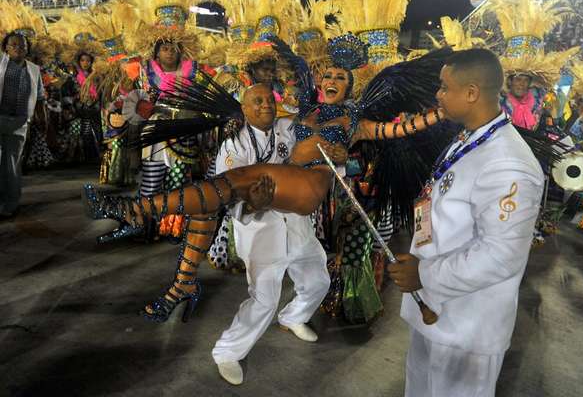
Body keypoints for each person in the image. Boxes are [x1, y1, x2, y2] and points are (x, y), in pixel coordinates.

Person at [83, 36, 449, 324]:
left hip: (312, 193)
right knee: (212, 200)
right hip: (285, 197)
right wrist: (239, 115)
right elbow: (267, 107)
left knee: (237, 181)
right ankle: (181, 283)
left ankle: (137, 210)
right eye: (330, 76)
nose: (333, 80)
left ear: (351, 85)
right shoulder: (301, 113)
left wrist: (439, 115)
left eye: (342, 77)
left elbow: (398, 130)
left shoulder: (355, 121)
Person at [388, 48, 544, 397]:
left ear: (472, 92)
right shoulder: (468, 138)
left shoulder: (508, 163)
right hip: (434, 310)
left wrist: (424, 274)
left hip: (467, 326)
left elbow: (502, 255)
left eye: (444, 87)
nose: (438, 95)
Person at [212, 83, 345, 385]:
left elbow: (315, 152)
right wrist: (249, 205)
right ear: (244, 109)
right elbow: (226, 189)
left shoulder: (288, 128)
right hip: (261, 231)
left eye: (269, 100)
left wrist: (336, 156)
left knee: (318, 280)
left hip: (297, 224)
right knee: (264, 299)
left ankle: (294, 317)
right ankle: (227, 352)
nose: (266, 106)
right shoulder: (235, 144)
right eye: (256, 102)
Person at [0, 32, 46, 218]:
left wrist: (44, 121)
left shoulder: (34, 69)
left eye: (22, 45)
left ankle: (10, 203)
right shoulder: (1, 65)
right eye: (14, 45)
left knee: (12, 164)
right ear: (6, 48)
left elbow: (40, 97)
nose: (19, 48)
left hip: (20, 122)